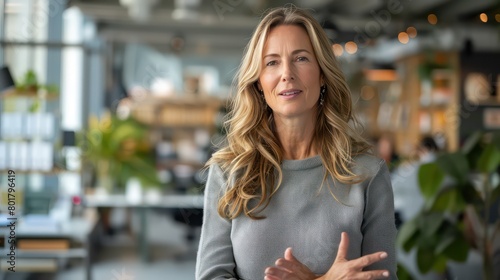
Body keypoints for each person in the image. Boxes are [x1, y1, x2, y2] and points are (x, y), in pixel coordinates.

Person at [196, 5, 397, 280]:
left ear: (322, 73)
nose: (286, 73)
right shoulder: (229, 174)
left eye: (301, 58)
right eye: (272, 62)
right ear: (258, 82)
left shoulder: (368, 176)